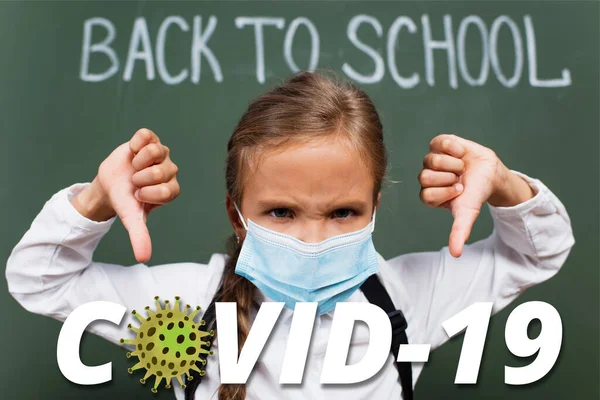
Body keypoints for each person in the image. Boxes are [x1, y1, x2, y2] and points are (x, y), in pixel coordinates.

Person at [6, 72, 574, 400]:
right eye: (280, 212)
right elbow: (38, 281)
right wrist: (94, 202)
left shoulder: (408, 298)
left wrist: (503, 185)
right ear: (237, 215)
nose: (311, 240)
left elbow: (539, 251)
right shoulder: (186, 307)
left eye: (344, 212)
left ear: (376, 208)